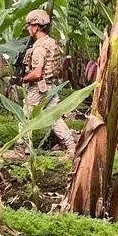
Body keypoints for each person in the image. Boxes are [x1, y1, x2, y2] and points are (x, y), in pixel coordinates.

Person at [19, 9, 76, 156]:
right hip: (50, 86)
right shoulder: (51, 43)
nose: (28, 29)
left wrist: (22, 79)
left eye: (29, 25)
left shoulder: (39, 47)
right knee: (53, 117)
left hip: (39, 88)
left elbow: (37, 73)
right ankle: (71, 146)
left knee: (25, 115)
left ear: (36, 27)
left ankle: (21, 148)